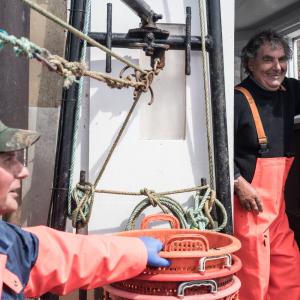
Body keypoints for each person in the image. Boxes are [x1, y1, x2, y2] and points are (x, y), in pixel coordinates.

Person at [0, 120, 170, 299]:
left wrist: (137, 251)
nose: (23, 171)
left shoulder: (10, 242)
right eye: (7, 160)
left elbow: (60, 256)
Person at [234, 29, 300, 300]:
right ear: (250, 64)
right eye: (268, 60)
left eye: (282, 59)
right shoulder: (236, 99)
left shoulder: (291, 91)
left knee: (290, 273)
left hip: (277, 213)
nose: (277, 67)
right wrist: (237, 182)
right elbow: (215, 148)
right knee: (254, 281)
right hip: (246, 210)